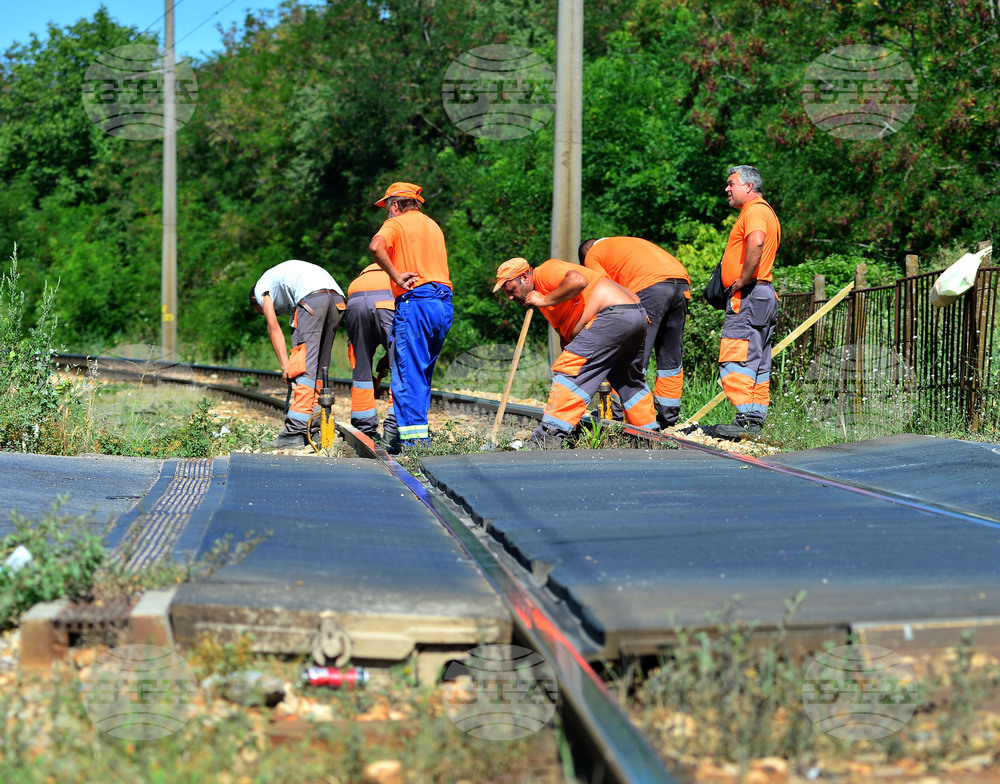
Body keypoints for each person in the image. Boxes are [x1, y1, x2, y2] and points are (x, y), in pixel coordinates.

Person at [493, 257, 658, 448]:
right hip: (635, 315)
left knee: (569, 372)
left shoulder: (546, 271)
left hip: (613, 314)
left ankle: (548, 437)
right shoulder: (548, 294)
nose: (511, 297)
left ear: (524, 276)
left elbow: (579, 281)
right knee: (629, 380)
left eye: (512, 290)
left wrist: (543, 299)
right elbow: (569, 329)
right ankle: (649, 436)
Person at [368, 181, 453, 451]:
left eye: (386, 208)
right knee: (422, 373)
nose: (386, 214)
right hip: (442, 304)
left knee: (407, 375)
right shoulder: (433, 226)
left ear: (395, 205)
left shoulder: (397, 224)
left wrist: (394, 275)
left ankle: (415, 444)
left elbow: (376, 246)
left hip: (416, 302)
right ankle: (416, 435)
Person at [578, 237, 690, 428]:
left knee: (631, 354)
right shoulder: (624, 243)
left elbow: (601, 291)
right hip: (681, 285)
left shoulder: (592, 255)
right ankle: (668, 416)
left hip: (650, 287)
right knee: (670, 356)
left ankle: (617, 411)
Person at [712, 164, 781, 440]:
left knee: (736, 356)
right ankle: (752, 423)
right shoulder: (767, 211)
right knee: (758, 362)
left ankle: (744, 421)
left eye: (731, 183)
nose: (727, 188)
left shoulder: (753, 211)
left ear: (748, 187)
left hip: (750, 294)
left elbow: (756, 241)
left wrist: (742, 279)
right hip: (763, 294)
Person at [250, 259, 346, 449]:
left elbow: (273, 327)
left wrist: (286, 365)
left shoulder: (261, 288)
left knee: (302, 367)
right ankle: (318, 425)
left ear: (255, 300)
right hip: (337, 299)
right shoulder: (284, 279)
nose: (266, 312)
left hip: (311, 298)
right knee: (320, 368)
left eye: (259, 311)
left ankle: (294, 432)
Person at [344, 263, 397, 443]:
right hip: (388, 297)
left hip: (355, 300)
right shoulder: (399, 264)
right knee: (399, 365)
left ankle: (363, 426)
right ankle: (394, 427)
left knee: (361, 365)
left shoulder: (368, 268)